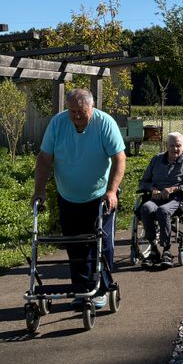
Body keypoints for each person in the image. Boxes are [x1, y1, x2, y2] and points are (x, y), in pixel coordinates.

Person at [32, 88, 126, 309]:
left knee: (101, 244)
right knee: (74, 245)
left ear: (91, 108)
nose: (76, 116)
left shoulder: (105, 123)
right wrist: (39, 190)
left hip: (100, 196)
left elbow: (119, 158)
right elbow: (45, 158)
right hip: (68, 196)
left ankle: (101, 289)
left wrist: (112, 191)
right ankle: (82, 290)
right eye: (72, 111)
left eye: (81, 112)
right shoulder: (58, 123)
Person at [137, 132, 183, 268]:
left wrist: (176, 188)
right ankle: (153, 249)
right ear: (166, 146)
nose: (175, 149)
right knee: (145, 208)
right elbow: (143, 182)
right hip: (156, 197)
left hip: (176, 198)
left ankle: (166, 250)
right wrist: (152, 189)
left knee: (163, 211)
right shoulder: (156, 160)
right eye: (172, 145)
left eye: (178, 146)